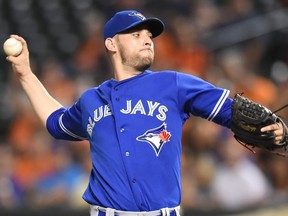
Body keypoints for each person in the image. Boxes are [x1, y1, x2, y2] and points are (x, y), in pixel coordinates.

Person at [6, 10, 286, 216]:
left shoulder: (174, 83)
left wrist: (273, 126)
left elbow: (231, 111)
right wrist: (25, 73)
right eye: (136, 34)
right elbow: (56, 123)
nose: (148, 40)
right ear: (111, 44)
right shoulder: (91, 100)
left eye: (149, 35)